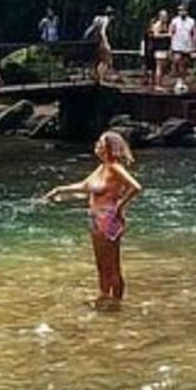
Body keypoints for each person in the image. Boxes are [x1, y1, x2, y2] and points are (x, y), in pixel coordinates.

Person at [43, 130, 142, 308]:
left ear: (109, 147)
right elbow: (84, 186)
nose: (97, 145)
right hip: (96, 219)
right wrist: (59, 190)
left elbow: (136, 187)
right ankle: (104, 297)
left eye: (101, 143)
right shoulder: (102, 167)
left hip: (109, 219)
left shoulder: (114, 167)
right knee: (101, 264)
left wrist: (120, 206)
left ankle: (116, 303)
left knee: (112, 265)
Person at [82, 6, 115, 84]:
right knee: (107, 60)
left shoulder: (98, 19)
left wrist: (85, 37)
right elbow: (102, 32)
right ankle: (101, 79)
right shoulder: (106, 20)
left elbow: (90, 29)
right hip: (101, 42)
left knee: (98, 60)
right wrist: (106, 43)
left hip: (95, 42)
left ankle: (96, 77)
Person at [168, 3, 196, 85]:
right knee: (177, 60)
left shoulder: (192, 21)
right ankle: (178, 78)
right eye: (180, 11)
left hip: (187, 44)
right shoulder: (175, 20)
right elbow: (171, 32)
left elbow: (194, 33)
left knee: (185, 63)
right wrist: (170, 44)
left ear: (187, 11)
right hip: (176, 44)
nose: (182, 12)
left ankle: (183, 79)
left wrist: (194, 44)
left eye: (183, 10)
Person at [145, 9, 169, 90]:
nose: (165, 17)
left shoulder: (165, 25)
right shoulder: (157, 25)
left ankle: (159, 83)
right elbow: (155, 35)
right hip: (158, 48)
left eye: (166, 16)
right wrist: (168, 35)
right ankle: (157, 85)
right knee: (159, 66)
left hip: (164, 47)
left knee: (163, 67)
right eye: (163, 16)